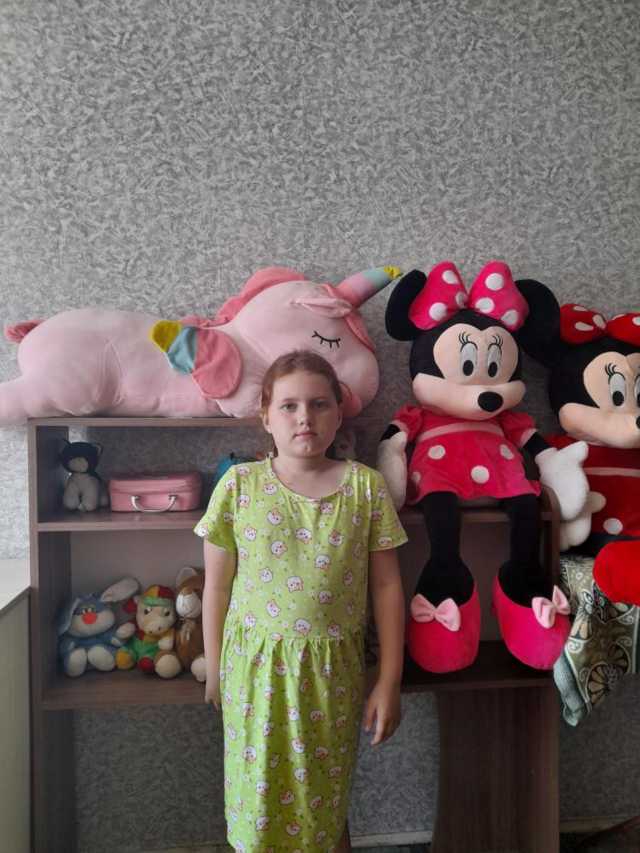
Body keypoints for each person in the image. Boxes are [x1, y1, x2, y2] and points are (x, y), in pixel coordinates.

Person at [195, 349, 407, 853]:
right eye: (288, 406)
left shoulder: (366, 489)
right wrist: (215, 669)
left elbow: (386, 587)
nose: (304, 417)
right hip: (253, 672)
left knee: (324, 803)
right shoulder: (238, 487)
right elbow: (216, 587)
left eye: (318, 404)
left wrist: (390, 680)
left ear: (338, 413)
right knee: (256, 802)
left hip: (332, 675)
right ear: (266, 416)